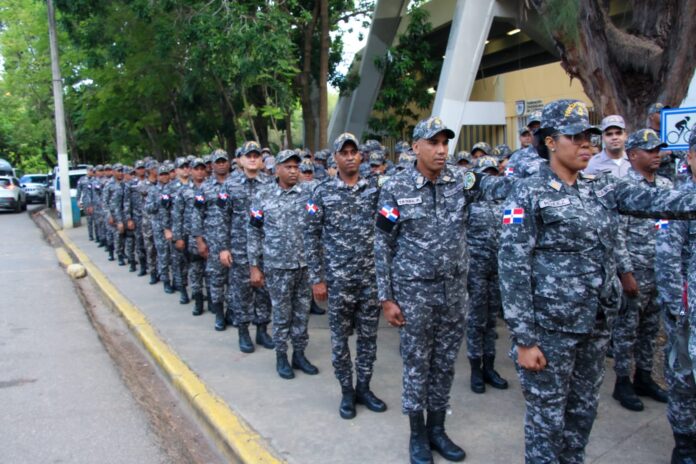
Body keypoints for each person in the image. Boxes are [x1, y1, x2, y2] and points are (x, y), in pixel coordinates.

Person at [498, 99, 696, 464]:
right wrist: (524, 339)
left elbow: (660, 201)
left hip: (596, 326)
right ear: (551, 142)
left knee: (582, 417)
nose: (586, 144)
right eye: (575, 137)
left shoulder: (600, 188)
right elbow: (512, 267)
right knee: (546, 426)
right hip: (550, 332)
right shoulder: (528, 193)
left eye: (589, 136)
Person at [375, 116, 511, 464]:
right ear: (415, 147)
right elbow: (382, 244)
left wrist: (536, 175)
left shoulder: (460, 181)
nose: (440, 150)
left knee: (445, 364)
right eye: (433, 143)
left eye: (444, 143)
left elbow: (496, 187)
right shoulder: (395, 187)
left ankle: (437, 428)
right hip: (414, 294)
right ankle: (417, 435)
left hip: (453, 293)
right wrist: (387, 298)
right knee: (417, 365)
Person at [304, 132, 386, 419]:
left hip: (370, 279)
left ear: (361, 156)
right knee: (340, 339)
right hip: (338, 281)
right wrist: (317, 278)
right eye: (344, 152)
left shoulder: (375, 189)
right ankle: (346, 392)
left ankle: (364, 387)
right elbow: (311, 236)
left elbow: (386, 233)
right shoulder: (321, 192)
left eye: (354, 152)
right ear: (335, 158)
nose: (350, 156)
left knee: (368, 337)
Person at [611, 128, 671, 411]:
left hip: (662, 271)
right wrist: (626, 272)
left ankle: (644, 377)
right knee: (626, 330)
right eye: (651, 150)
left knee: (650, 329)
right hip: (636, 273)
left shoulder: (667, 187)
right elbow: (616, 235)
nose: (657, 155)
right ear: (633, 154)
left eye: (658, 150)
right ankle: (622, 381)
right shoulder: (623, 188)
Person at [248, 149, 318, 379]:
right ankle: (281, 356)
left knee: (302, 313)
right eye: (288, 167)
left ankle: (299, 354)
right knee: (281, 313)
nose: (293, 171)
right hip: (277, 266)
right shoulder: (262, 195)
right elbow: (254, 231)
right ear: (277, 168)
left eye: (296, 167)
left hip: (304, 265)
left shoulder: (308, 193)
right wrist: (254, 266)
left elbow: (317, 227)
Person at [655, 128, 696, 464]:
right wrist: (678, 314)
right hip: (688, 316)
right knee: (683, 383)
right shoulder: (679, 201)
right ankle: (684, 444)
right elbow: (668, 260)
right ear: (691, 157)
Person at [217, 141, 274, 352]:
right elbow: (222, 218)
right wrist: (223, 248)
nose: (252, 159)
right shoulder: (229, 186)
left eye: (256, 155)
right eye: (248, 155)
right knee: (241, 292)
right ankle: (243, 332)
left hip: (264, 248)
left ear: (261, 160)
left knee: (264, 291)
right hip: (239, 248)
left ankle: (262, 330)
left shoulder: (269, 184)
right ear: (240, 160)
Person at [465, 156, 508, 394]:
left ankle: (489, 367)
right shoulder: (470, 204)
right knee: (476, 320)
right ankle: (475, 368)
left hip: (497, 270)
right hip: (476, 270)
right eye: (486, 174)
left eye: (495, 173)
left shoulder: (506, 204)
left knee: (492, 321)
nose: (491, 178)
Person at [191, 149, 232, 330]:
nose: (222, 164)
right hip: (213, 242)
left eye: (224, 161)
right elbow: (196, 215)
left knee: (235, 280)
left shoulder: (235, 184)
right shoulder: (204, 189)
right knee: (216, 280)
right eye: (218, 161)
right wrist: (200, 241)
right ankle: (219, 314)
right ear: (212, 165)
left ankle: (232, 312)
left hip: (234, 240)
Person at [172, 157, 208, 315]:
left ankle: (213, 300)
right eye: (196, 169)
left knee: (212, 272)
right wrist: (178, 237)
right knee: (195, 270)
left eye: (202, 168)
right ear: (191, 171)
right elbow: (177, 215)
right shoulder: (184, 191)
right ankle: (198, 300)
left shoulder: (212, 188)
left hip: (211, 236)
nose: (199, 171)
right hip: (191, 237)